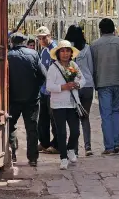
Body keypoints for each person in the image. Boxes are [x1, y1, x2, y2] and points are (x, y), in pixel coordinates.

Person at [90, 18, 119, 155]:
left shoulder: (94, 45)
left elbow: (93, 67)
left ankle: (109, 146)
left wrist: (94, 84)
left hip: (103, 83)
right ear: (114, 29)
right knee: (117, 113)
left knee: (106, 115)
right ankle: (116, 143)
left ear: (100, 30)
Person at [8, 32, 46, 167]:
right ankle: (33, 157)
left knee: (10, 126)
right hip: (32, 99)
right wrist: (36, 88)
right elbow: (43, 75)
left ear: (12, 42)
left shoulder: (8, 56)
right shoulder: (34, 54)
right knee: (32, 128)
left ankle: (11, 154)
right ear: (24, 42)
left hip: (13, 98)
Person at [46, 40, 85, 170]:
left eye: (67, 51)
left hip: (72, 103)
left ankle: (70, 149)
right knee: (61, 132)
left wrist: (77, 84)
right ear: (58, 53)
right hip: (58, 104)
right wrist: (63, 87)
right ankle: (63, 157)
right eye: (62, 51)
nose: (65, 53)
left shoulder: (73, 65)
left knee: (75, 131)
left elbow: (82, 79)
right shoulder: (53, 68)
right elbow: (49, 86)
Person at [64, 24, 94, 156]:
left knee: (74, 119)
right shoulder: (87, 48)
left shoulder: (67, 50)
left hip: (74, 86)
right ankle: (88, 147)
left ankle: (75, 150)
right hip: (87, 86)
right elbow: (91, 68)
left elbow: (68, 69)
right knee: (85, 117)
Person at [36, 25, 59, 153]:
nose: (42, 40)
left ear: (49, 36)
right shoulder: (44, 51)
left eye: (44, 38)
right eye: (39, 38)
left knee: (54, 119)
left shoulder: (55, 51)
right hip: (44, 90)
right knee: (43, 119)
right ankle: (44, 142)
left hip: (52, 90)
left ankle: (57, 144)